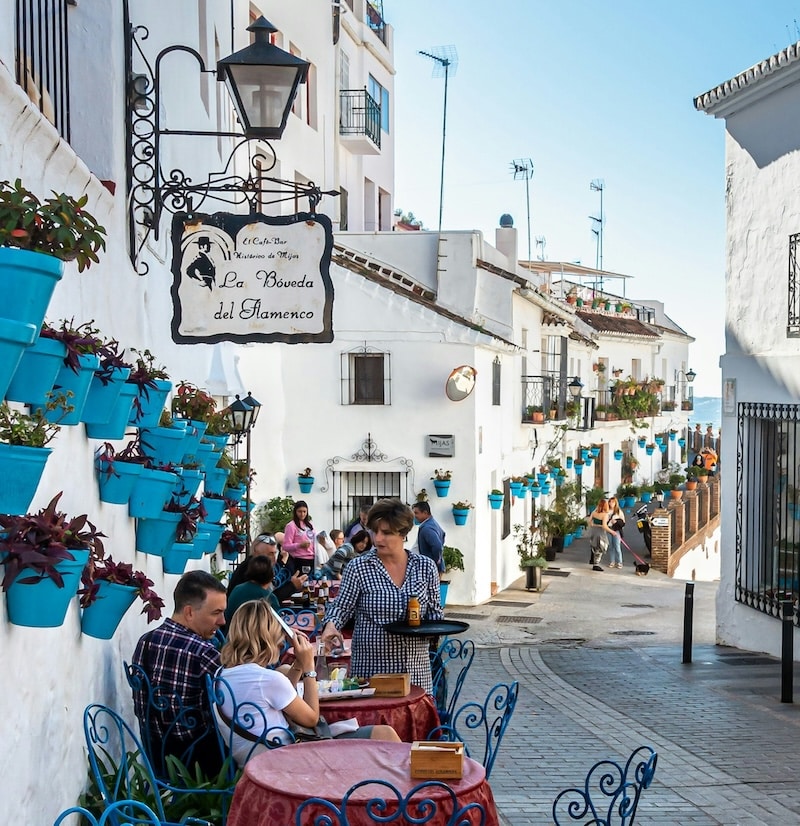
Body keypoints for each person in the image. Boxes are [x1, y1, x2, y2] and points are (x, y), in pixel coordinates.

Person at [218, 600, 400, 764]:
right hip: (292, 759)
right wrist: (308, 667)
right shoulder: (267, 680)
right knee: (385, 734)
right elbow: (312, 719)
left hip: (262, 755)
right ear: (269, 638)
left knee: (378, 734)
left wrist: (298, 662)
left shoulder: (223, 675)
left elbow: (280, 695)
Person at [320, 498, 443, 694]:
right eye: (374, 531)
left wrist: (433, 630)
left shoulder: (425, 567)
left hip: (415, 671)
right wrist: (331, 625)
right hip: (372, 672)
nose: (377, 539)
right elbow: (341, 607)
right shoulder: (359, 567)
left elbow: (435, 614)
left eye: (386, 532)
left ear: (403, 533)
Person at [131, 571, 227, 775]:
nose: (222, 621)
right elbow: (237, 702)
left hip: (155, 757)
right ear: (189, 612)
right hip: (200, 766)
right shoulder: (204, 652)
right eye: (216, 613)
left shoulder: (145, 641)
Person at [227, 533, 306, 603]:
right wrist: (292, 586)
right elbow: (267, 600)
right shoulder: (252, 569)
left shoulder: (251, 565)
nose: (274, 558)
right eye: (270, 554)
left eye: (275, 553)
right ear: (256, 553)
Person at [224, 555, 280, 626]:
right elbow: (276, 625)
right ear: (271, 575)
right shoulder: (269, 597)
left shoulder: (237, 589)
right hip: (256, 633)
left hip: (231, 631)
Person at [411, 500, 446, 573]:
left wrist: (435, 562)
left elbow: (437, 546)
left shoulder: (427, 528)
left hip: (428, 568)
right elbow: (443, 535)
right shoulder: (432, 524)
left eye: (416, 513)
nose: (415, 516)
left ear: (425, 513)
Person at [282, 500, 315, 574]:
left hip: (312, 558)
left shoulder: (310, 525)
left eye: (304, 511)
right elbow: (286, 546)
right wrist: (299, 545)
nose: (302, 514)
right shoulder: (291, 526)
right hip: (300, 559)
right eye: (299, 511)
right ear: (295, 512)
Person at [587, 498, 613, 572]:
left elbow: (589, 521)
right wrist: (612, 532)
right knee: (602, 547)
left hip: (594, 531)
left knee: (595, 546)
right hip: (601, 532)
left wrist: (594, 525)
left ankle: (594, 562)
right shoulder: (605, 515)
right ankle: (596, 564)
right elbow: (604, 526)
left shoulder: (594, 512)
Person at [606, 497, 626, 569]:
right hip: (609, 529)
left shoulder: (619, 511)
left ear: (615, 503)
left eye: (613, 502)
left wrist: (616, 521)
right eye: (610, 502)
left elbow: (623, 522)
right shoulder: (606, 511)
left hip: (616, 530)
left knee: (617, 546)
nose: (611, 503)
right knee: (611, 546)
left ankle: (619, 562)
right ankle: (612, 561)